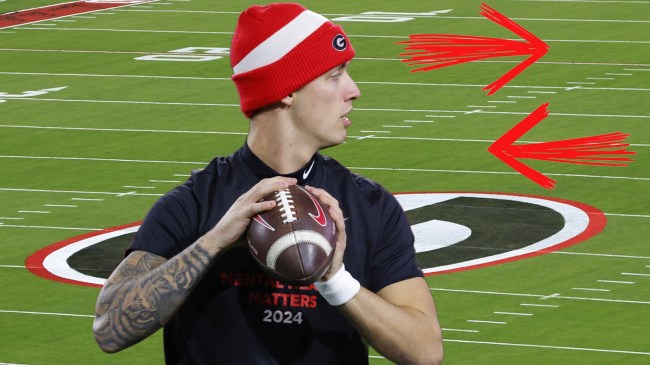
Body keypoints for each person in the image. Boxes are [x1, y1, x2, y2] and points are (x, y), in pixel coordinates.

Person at [93, 3, 443, 364]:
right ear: (287, 89)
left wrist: (335, 279)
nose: (354, 91)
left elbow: (426, 352)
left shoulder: (370, 206)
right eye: (335, 75)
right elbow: (109, 329)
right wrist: (214, 243)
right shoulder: (194, 204)